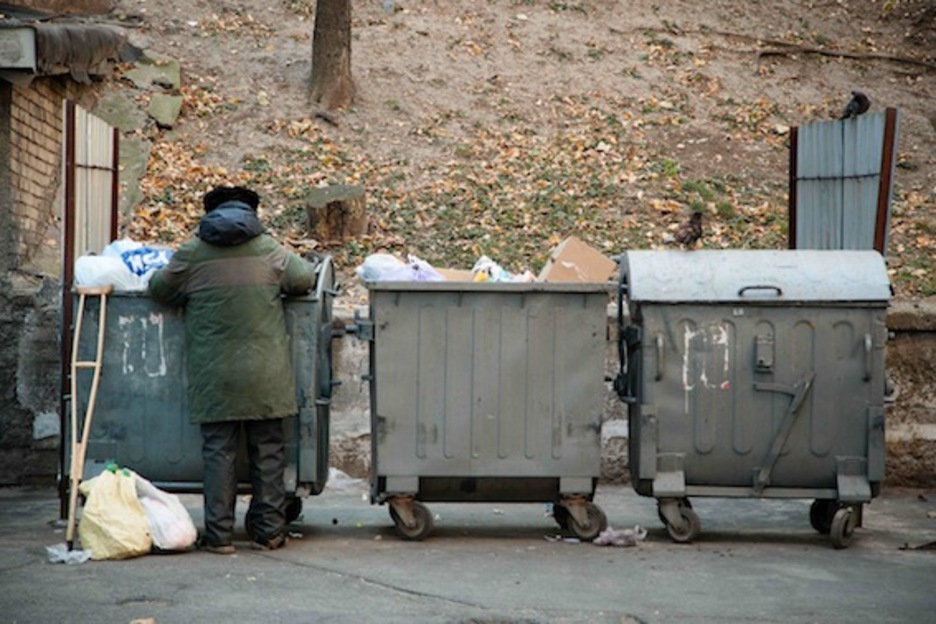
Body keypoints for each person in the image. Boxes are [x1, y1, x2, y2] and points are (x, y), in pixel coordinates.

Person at [148, 185, 317, 554]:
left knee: (218, 453)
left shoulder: (193, 253)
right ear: (252, 213)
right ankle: (269, 532)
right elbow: (305, 279)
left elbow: (159, 288)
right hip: (265, 372)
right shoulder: (268, 249)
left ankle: (220, 536)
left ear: (208, 214)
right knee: (269, 452)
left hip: (215, 374)